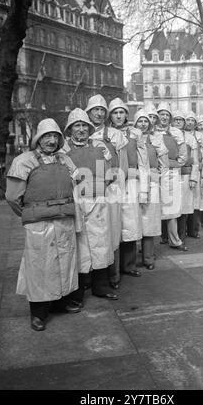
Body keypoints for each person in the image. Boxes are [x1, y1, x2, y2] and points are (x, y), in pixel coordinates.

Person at [5, 118, 82, 331]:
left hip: (64, 219)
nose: (51, 140)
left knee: (64, 262)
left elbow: (77, 185)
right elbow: (12, 197)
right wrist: (32, 213)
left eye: (55, 136)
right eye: (47, 136)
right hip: (38, 225)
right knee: (40, 265)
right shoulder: (24, 161)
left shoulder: (66, 160)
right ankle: (38, 313)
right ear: (38, 138)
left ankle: (60, 302)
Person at [62, 108, 118, 301]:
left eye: (84, 126)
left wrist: (100, 188)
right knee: (79, 244)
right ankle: (77, 289)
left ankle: (100, 286)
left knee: (100, 241)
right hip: (76, 202)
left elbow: (108, 173)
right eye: (77, 126)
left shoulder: (99, 147)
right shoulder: (63, 151)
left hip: (98, 201)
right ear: (69, 129)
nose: (81, 129)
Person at [85, 94, 128, 290]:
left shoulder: (116, 135)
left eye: (102, 110)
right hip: (87, 191)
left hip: (111, 189)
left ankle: (113, 275)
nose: (99, 113)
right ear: (88, 112)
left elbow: (124, 166)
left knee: (112, 231)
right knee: (90, 235)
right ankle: (89, 277)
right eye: (96, 110)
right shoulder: (81, 132)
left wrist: (119, 188)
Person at [108, 98, 150, 277]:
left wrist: (144, 188)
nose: (118, 116)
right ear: (110, 115)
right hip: (112, 182)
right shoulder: (105, 133)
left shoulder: (135, 133)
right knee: (114, 224)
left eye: (121, 112)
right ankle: (113, 270)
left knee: (131, 223)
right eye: (115, 113)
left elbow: (143, 162)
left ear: (126, 114)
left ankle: (129, 265)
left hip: (132, 181)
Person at [134, 109, 169, 269]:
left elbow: (164, 164)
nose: (143, 124)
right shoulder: (129, 138)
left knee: (149, 220)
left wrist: (157, 176)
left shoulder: (156, 139)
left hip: (152, 183)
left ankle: (148, 257)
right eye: (140, 121)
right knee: (132, 220)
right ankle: (131, 259)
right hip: (133, 183)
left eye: (145, 121)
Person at [156, 102, 187, 250]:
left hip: (172, 174)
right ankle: (148, 244)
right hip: (155, 174)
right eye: (161, 114)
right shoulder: (152, 132)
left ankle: (174, 240)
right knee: (151, 207)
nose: (164, 117)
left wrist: (176, 164)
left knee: (172, 208)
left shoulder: (176, 132)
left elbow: (183, 154)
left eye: (167, 115)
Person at [173, 111, 199, 243]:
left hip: (185, 175)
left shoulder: (190, 138)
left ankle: (181, 234)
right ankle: (167, 236)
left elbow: (195, 160)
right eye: (176, 119)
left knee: (184, 207)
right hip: (170, 176)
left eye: (180, 120)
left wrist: (193, 178)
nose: (178, 122)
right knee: (170, 206)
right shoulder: (167, 135)